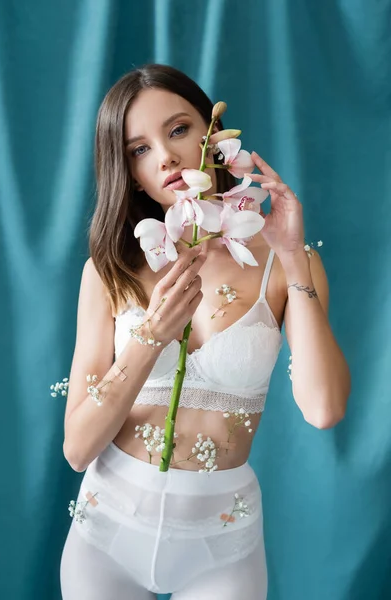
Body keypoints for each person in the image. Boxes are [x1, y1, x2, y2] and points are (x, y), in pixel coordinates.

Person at [60, 64, 351, 600]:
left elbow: (324, 408)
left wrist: (291, 257)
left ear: (214, 139)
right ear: (126, 170)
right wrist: (150, 336)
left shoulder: (284, 260)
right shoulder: (110, 269)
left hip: (222, 545)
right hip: (106, 538)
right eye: (138, 149)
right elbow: (77, 449)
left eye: (177, 130)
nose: (165, 157)